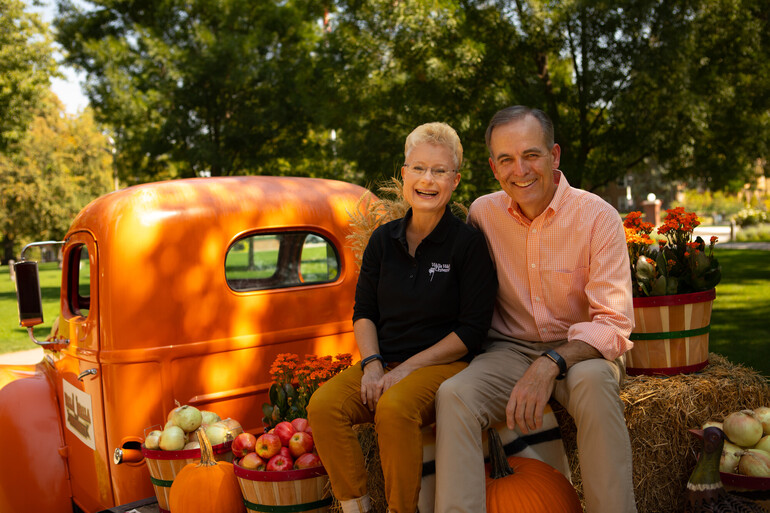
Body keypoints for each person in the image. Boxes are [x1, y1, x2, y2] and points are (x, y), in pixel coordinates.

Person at [434, 106, 637, 513]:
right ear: (493, 167)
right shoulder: (482, 214)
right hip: (507, 350)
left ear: (555, 156)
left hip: (582, 350)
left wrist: (550, 364)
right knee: (453, 395)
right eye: (506, 159)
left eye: (531, 155)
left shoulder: (598, 217)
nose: (520, 170)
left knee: (595, 388)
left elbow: (613, 324)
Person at [307, 122, 497, 513]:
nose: (428, 180)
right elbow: (364, 313)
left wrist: (404, 370)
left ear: (455, 180)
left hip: (444, 365)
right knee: (324, 406)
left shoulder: (467, 244)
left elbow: (472, 331)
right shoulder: (382, 240)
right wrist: (374, 365)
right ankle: (355, 506)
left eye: (440, 171)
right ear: (404, 174)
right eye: (419, 168)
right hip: (385, 362)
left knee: (394, 407)